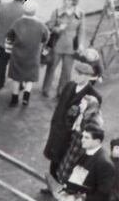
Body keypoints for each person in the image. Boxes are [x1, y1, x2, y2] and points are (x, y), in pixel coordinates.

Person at [43, 54, 104, 182]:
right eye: (75, 73)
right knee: (53, 160)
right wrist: (55, 123)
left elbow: (91, 119)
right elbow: (60, 106)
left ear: (87, 77)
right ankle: (51, 185)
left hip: (73, 137)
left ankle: (59, 188)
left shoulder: (93, 96)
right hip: (58, 130)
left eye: (80, 74)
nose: (75, 76)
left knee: (65, 165)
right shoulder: (70, 85)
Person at [6, 0, 49, 107]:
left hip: (18, 54)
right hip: (33, 54)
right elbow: (46, 37)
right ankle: (26, 96)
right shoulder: (41, 25)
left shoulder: (17, 23)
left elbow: (10, 37)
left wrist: (10, 47)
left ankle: (14, 98)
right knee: (30, 77)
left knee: (16, 76)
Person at [42, 0, 84, 98]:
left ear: (74, 1)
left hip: (71, 47)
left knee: (67, 71)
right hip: (57, 44)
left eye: (69, 0)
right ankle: (46, 89)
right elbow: (50, 27)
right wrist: (58, 29)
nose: (66, 2)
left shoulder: (80, 14)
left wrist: (80, 44)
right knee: (51, 67)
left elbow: (81, 31)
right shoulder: (57, 11)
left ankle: (62, 91)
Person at [0, 0, 28, 90]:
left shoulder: (2, 6)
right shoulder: (24, 12)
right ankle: (19, 84)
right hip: (16, 43)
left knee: (1, 63)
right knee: (18, 64)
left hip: (3, 40)